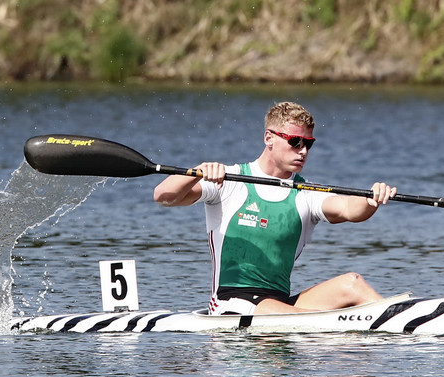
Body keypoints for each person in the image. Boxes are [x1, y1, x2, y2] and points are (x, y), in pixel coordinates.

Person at [154, 101, 397, 315]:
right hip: (231, 303)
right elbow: (164, 196)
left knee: (352, 283)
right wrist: (197, 172)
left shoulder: (306, 193)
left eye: (308, 144)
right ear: (269, 138)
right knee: (288, 317)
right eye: (295, 141)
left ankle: (397, 326)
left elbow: (348, 209)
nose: (303, 151)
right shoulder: (229, 180)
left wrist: (370, 199)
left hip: (277, 304)